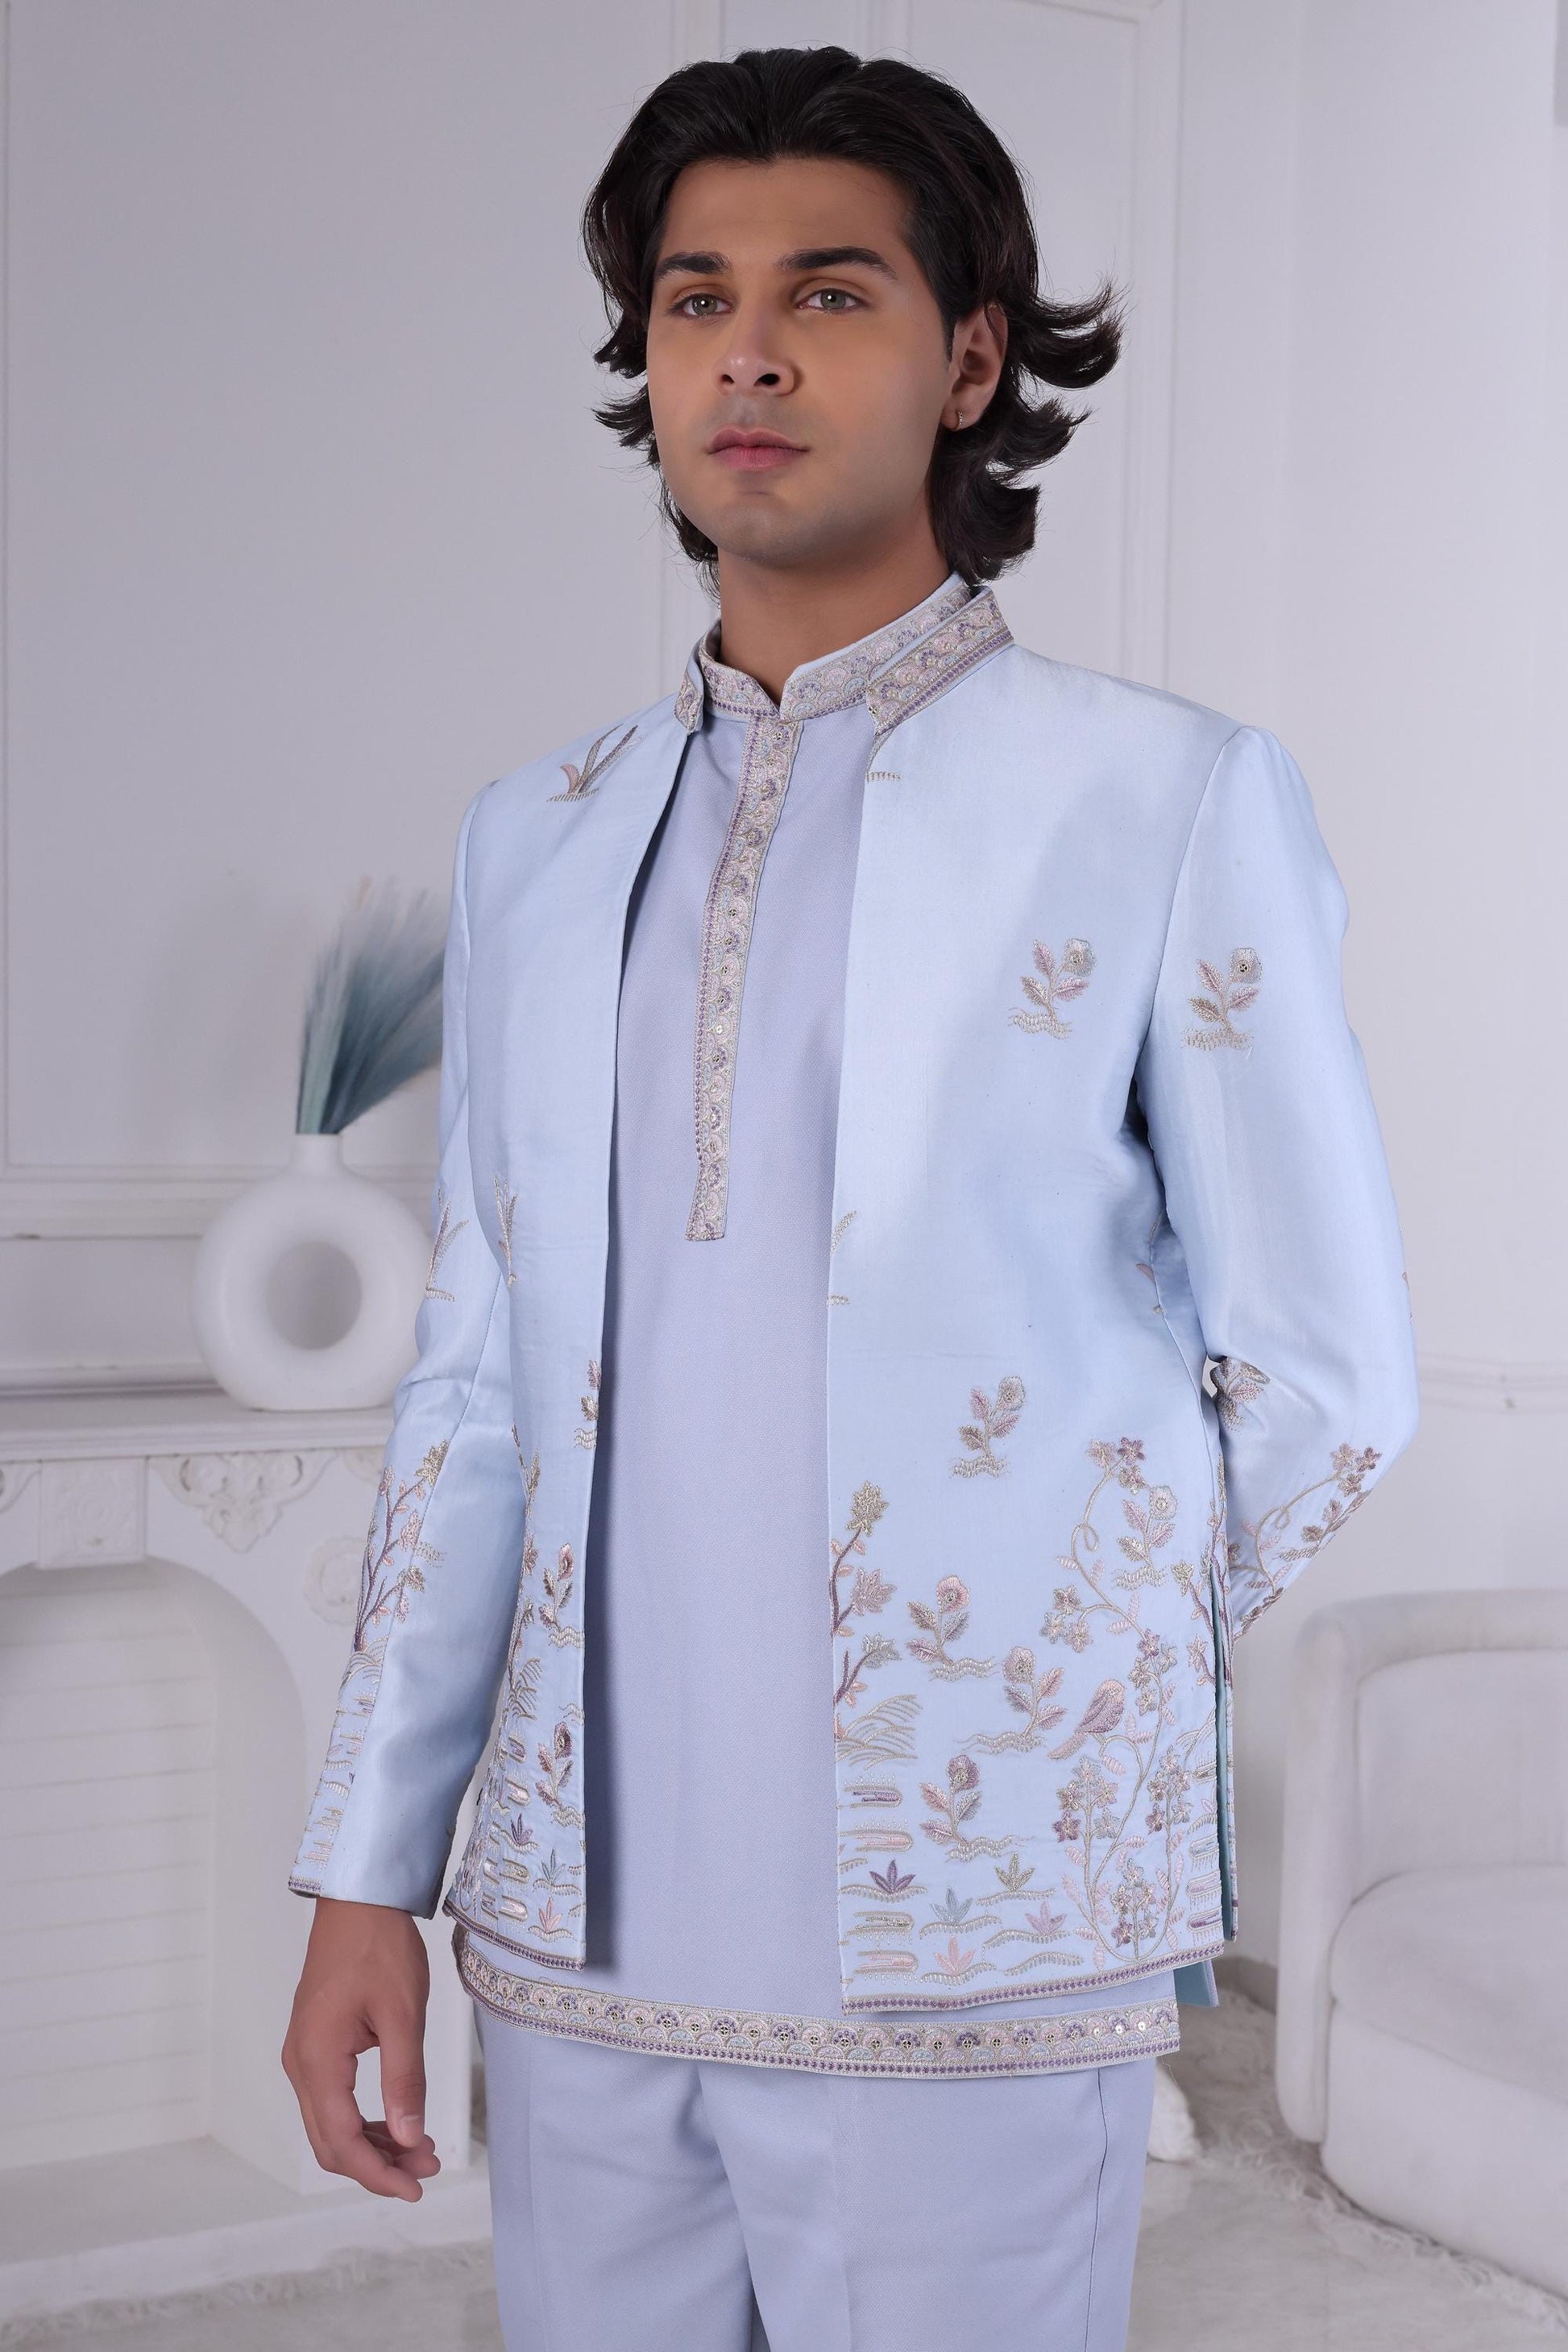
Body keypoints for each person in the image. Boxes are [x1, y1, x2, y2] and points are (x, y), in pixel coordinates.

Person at [282, 45, 1418, 2352]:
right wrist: (363, 1873)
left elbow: (1322, 1368)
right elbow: (475, 1387)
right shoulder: (538, 837)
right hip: (579, 1938)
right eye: (695, 300)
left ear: (969, 359)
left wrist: (1043, 1670)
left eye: (827, 293)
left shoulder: (1157, 800)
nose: (750, 355)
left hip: (967, 1931)